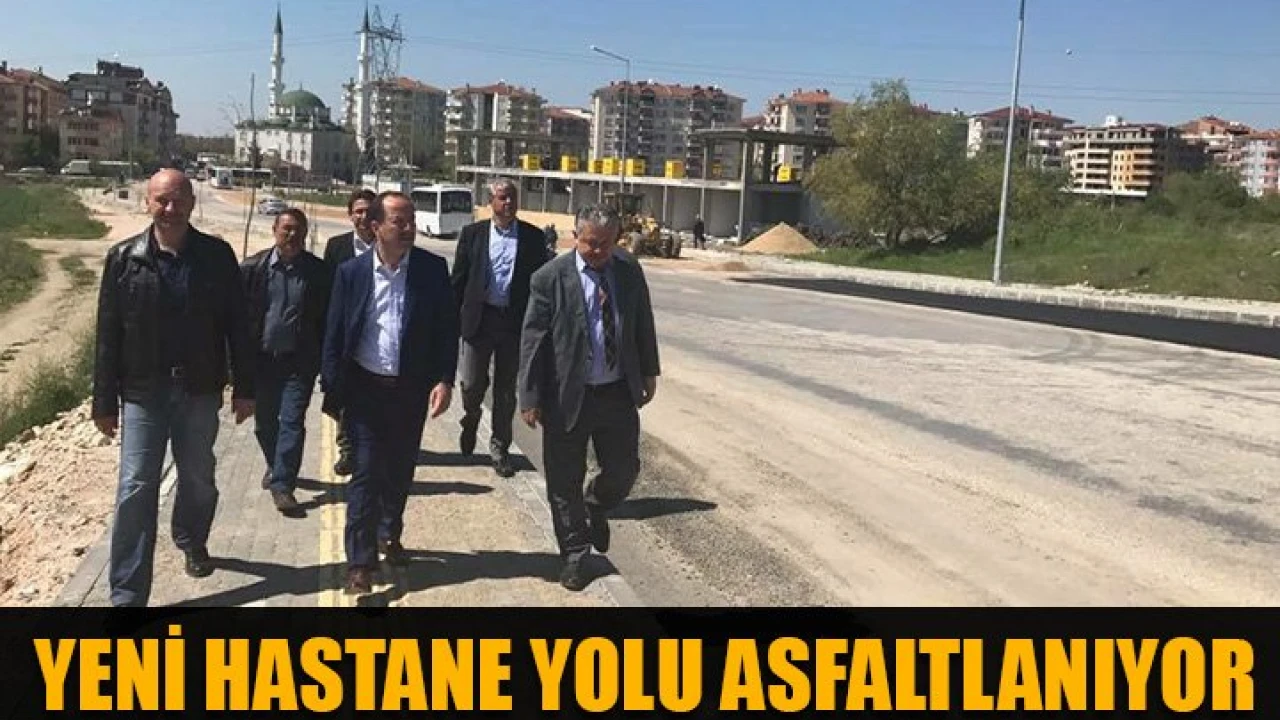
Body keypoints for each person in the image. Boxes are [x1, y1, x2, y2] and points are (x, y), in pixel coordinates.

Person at [92, 168, 256, 607]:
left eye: (178, 199)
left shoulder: (217, 257)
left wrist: (245, 387)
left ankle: (191, 538)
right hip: (142, 394)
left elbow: (238, 326)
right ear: (147, 202)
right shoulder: (124, 258)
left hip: (199, 390)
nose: (170, 208)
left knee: (198, 478)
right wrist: (103, 402)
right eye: (161, 200)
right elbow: (108, 333)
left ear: (192, 203)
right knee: (135, 487)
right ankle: (127, 595)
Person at [321, 191, 458, 595]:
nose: (409, 228)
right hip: (364, 390)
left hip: (410, 390)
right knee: (365, 473)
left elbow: (446, 330)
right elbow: (335, 332)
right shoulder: (351, 273)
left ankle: (388, 531)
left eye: (411, 220)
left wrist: (444, 380)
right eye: (399, 221)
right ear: (376, 226)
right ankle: (360, 563)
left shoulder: (432, 270)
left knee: (398, 471)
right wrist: (332, 386)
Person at [517, 204, 661, 591]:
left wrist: (649, 370)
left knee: (624, 469)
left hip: (616, 392)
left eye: (606, 244)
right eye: (590, 243)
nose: (598, 252)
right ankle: (575, 555)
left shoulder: (628, 271)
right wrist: (529, 395)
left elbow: (642, 322)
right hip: (565, 395)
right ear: (575, 237)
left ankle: (596, 504)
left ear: (616, 240)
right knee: (564, 481)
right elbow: (533, 339)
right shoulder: (549, 278)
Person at [450, 178, 548, 478]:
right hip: (479, 320)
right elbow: (459, 279)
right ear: (490, 201)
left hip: (513, 324)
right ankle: (471, 417)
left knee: (506, 390)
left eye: (512, 198)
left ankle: (500, 447)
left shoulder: (532, 237)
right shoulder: (473, 234)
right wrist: (450, 318)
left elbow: (540, 285)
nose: (508, 203)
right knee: (471, 383)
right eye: (503, 198)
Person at [241, 208, 332, 515]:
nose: (292, 235)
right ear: (275, 231)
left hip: (299, 363)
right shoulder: (253, 268)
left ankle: (283, 485)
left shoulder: (319, 273)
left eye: (298, 230)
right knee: (265, 424)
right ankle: (276, 464)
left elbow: (326, 320)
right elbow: (239, 320)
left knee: (292, 422)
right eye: (287, 229)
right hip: (263, 361)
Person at [322, 188, 377, 477]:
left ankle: (369, 444)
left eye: (368, 211)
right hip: (345, 335)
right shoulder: (337, 247)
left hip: (376, 334)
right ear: (350, 215)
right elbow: (327, 292)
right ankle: (347, 449)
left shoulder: (387, 244)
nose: (363, 217)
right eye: (358, 211)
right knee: (343, 395)